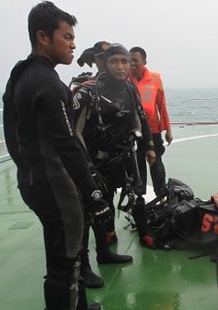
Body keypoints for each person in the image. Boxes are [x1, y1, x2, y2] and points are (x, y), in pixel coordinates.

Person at [2, 2, 110, 310]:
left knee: (67, 250)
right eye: (66, 37)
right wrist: (93, 192)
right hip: (55, 183)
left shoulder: (20, 74)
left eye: (73, 37)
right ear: (42, 36)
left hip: (33, 179)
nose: (73, 44)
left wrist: (26, 168)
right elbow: (67, 143)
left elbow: (10, 131)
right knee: (63, 259)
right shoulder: (48, 82)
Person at [74, 43, 158, 268]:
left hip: (123, 154)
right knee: (98, 205)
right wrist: (86, 165)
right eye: (115, 61)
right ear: (104, 62)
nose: (121, 66)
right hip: (95, 160)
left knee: (138, 194)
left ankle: (145, 234)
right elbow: (76, 131)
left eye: (125, 61)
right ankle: (100, 251)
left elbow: (138, 117)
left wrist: (145, 143)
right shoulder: (89, 91)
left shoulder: (129, 88)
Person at [129, 46, 172, 199]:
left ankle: (162, 196)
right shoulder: (125, 78)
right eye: (130, 59)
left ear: (144, 61)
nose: (132, 63)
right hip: (132, 130)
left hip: (153, 129)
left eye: (136, 60)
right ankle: (139, 199)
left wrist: (168, 129)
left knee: (156, 163)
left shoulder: (155, 78)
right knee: (137, 164)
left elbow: (161, 105)